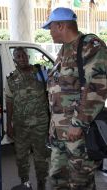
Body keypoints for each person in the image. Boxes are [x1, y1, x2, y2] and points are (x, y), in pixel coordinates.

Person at [42, 7, 107, 189]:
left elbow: (97, 87)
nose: (50, 33)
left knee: (80, 183)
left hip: (79, 135)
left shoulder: (90, 45)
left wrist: (78, 124)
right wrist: (52, 128)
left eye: (51, 28)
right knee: (57, 181)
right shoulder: (63, 51)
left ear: (61, 26)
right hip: (59, 135)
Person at [5, 47, 50, 190]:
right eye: (18, 56)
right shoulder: (11, 78)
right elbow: (9, 101)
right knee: (21, 158)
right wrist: (9, 124)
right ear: (14, 60)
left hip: (40, 124)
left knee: (41, 157)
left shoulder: (41, 72)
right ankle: (25, 183)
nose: (22, 58)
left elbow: (51, 94)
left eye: (24, 55)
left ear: (28, 56)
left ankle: (41, 184)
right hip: (21, 125)